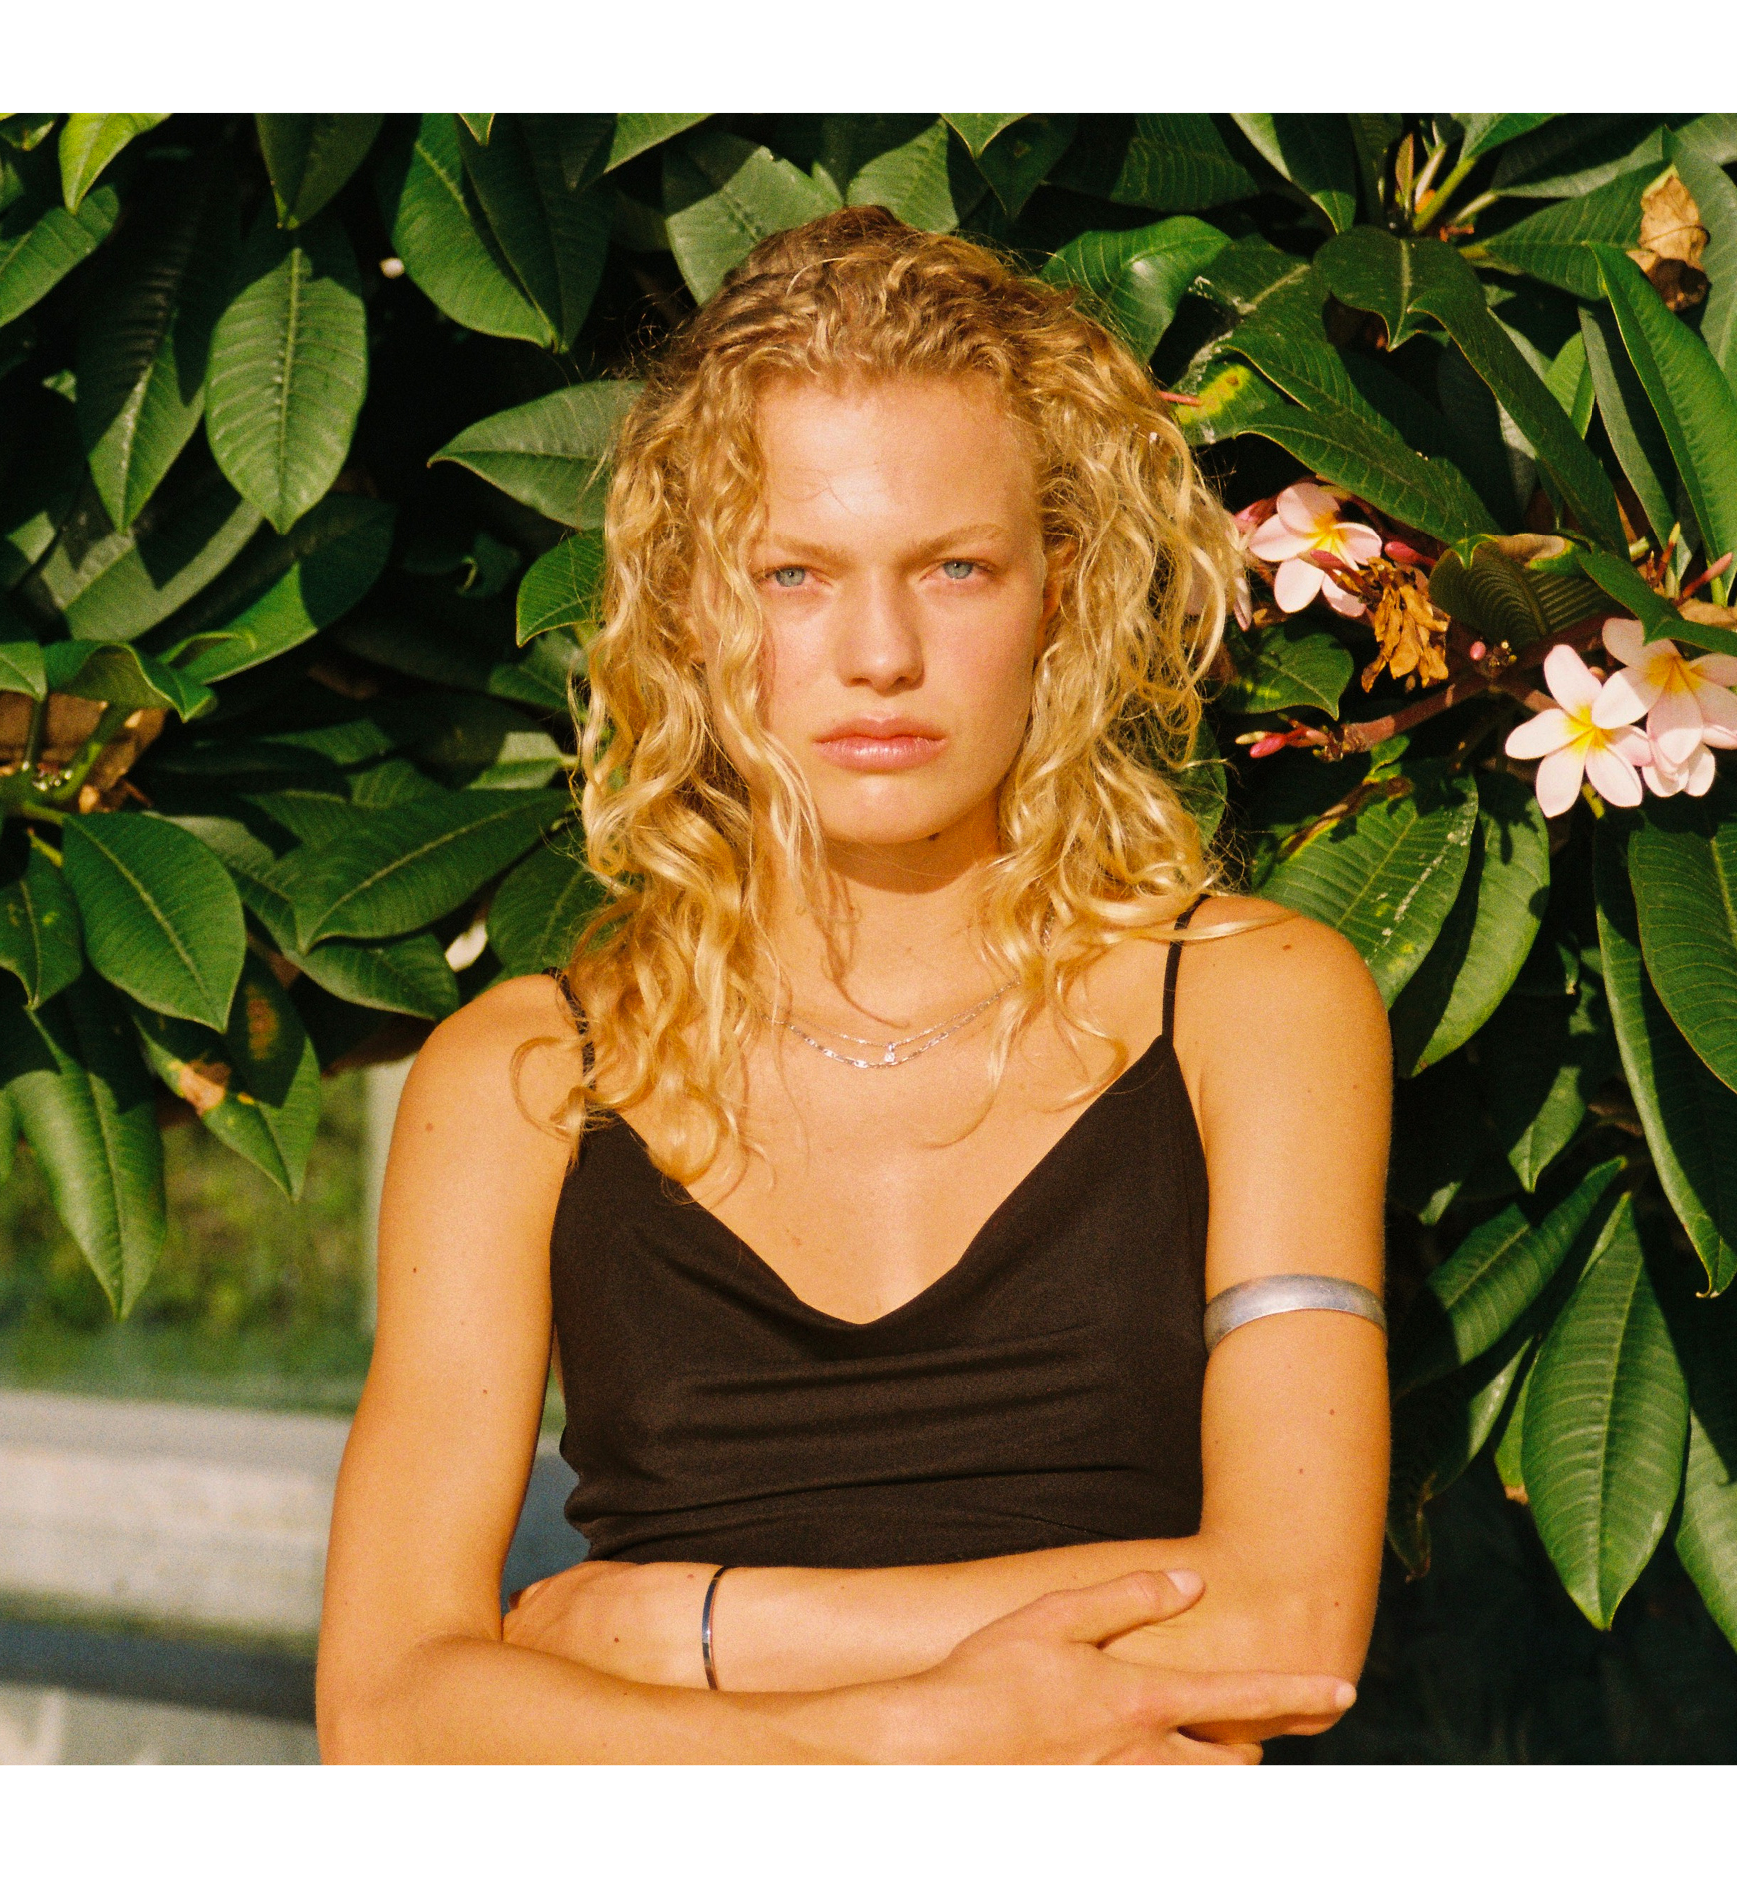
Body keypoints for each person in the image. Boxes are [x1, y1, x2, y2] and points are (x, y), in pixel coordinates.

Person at [316, 207, 1391, 1763]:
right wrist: (908, 1738)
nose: (880, 653)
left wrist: (686, 1630)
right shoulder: (526, 1078)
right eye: (796, 573)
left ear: (1058, 587)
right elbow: (385, 1712)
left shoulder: (1255, 1003)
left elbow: (1288, 1630)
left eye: (954, 567)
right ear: (691, 602)